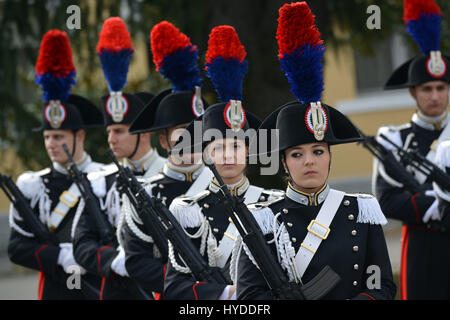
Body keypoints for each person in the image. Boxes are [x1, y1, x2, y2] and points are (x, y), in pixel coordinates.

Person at [235, 2, 396, 300]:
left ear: (330, 156)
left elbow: (381, 285)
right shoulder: (265, 220)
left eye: (318, 151)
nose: (309, 161)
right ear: (284, 162)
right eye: (297, 154)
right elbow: (248, 298)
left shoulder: (360, 211)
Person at [163, 25, 283, 300]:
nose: (228, 155)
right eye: (218, 147)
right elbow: (176, 288)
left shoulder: (274, 205)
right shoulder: (189, 211)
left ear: (249, 150)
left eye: (235, 146)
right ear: (206, 154)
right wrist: (225, 294)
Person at [7, 29, 105, 300]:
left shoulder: (103, 177)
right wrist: (59, 256)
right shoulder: (34, 184)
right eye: (48, 136)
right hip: (56, 289)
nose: (51, 143)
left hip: (101, 285)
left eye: (59, 136)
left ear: (80, 136)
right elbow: (17, 248)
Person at [71, 17, 164, 300]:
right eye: (109, 131)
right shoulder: (100, 183)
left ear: (143, 134)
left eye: (120, 131)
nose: (111, 139)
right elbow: (81, 243)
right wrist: (113, 260)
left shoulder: (168, 176)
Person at [121, 21, 212, 299]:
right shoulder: (144, 193)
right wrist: (189, 286)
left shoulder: (224, 186)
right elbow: (137, 261)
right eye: (180, 133)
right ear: (163, 141)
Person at [373, 0, 450, 300]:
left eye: (441, 88)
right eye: (426, 89)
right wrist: (437, 207)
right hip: (424, 244)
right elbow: (388, 200)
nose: (434, 96)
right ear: (413, 92)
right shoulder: (394, 139)